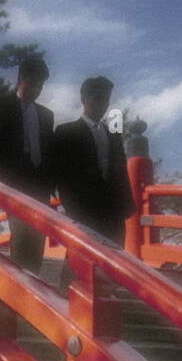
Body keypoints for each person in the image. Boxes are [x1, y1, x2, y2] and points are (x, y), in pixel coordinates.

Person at [0, 56, 54, 274]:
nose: (36, 89)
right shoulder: (1, 106)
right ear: (21, 78)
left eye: (40, 85)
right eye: (33, 83)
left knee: (37, 236)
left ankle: (33, 284)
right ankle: (19, 285)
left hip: (39, 184)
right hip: (12, 181)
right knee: (21, 232)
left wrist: (52, 183)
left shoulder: (46, 116)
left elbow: (51, 153)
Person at [51, 76, 136, 245]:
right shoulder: (66, 132)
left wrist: (127, 207)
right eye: (97, 98)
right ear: (84, 99)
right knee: (82, 261)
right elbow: (58, 173)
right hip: (83, 211)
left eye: (105, 99)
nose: (102, 104)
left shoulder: (114, 135)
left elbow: (121, 173)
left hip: (114, 211)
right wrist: (71, 206)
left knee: (114, 263)